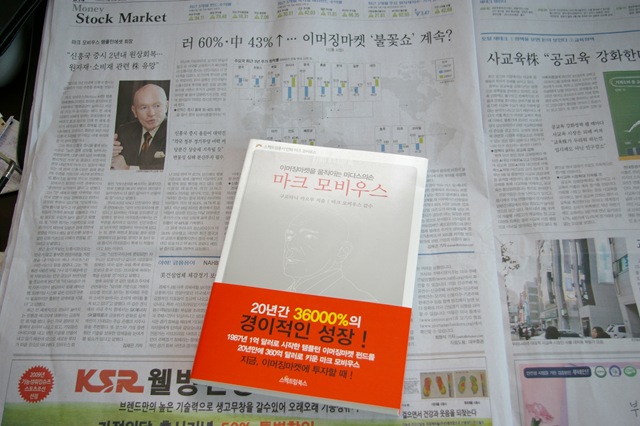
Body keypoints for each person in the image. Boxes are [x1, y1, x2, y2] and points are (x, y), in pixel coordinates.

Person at [283, 211, 377, 302]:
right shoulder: (285, 294)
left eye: (308, 237)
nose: (290, 246)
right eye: (289, 236)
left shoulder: (362, 303)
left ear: (342, 251)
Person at [112, 83, 168, 170]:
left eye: (157, 106)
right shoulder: (124, 131)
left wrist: (127, 169)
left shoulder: (174, 131)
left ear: (166, 106)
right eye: (144, 107)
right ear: (134, 111)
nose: (151, 113)